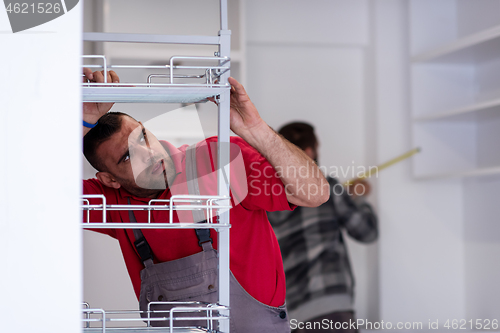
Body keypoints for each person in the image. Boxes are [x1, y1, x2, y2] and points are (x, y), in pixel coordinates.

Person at [81, 69, 329, 332]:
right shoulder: (110, 201)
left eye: (142, 136)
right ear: (109, 179)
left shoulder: (215, 160)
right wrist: (82, 122)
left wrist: (256, 130)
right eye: (128, 157)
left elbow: (315, 193)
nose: (149, 153)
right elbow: (36, 196)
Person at [267, 122, 378, 333]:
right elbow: (367, 232)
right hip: (331, 309)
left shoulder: (269, 201)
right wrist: (360, 196)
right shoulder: (327, 188)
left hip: (291, 316)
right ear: (309, 151)